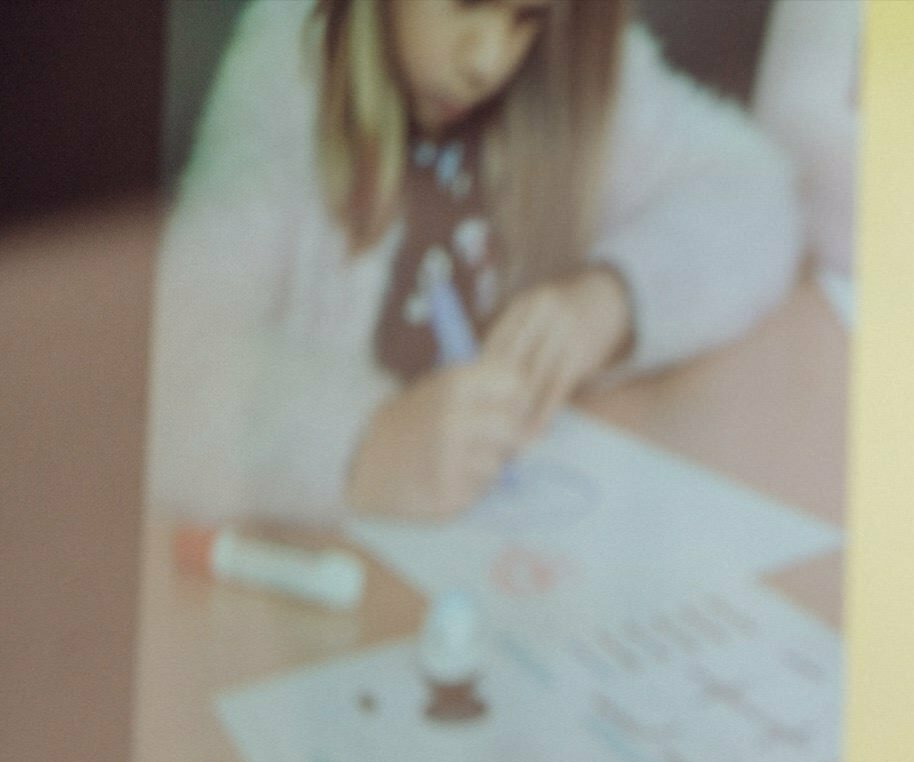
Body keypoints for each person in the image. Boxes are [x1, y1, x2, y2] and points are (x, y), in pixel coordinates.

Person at [150, 0, 801, 527]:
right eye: (467, 6)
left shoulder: (566, 63)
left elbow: (758, 188)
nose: (488, 59)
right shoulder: (289, 62)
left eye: (525, 17)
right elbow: (165, 369)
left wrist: (612, 299)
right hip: (325, 574)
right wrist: (358, 445)